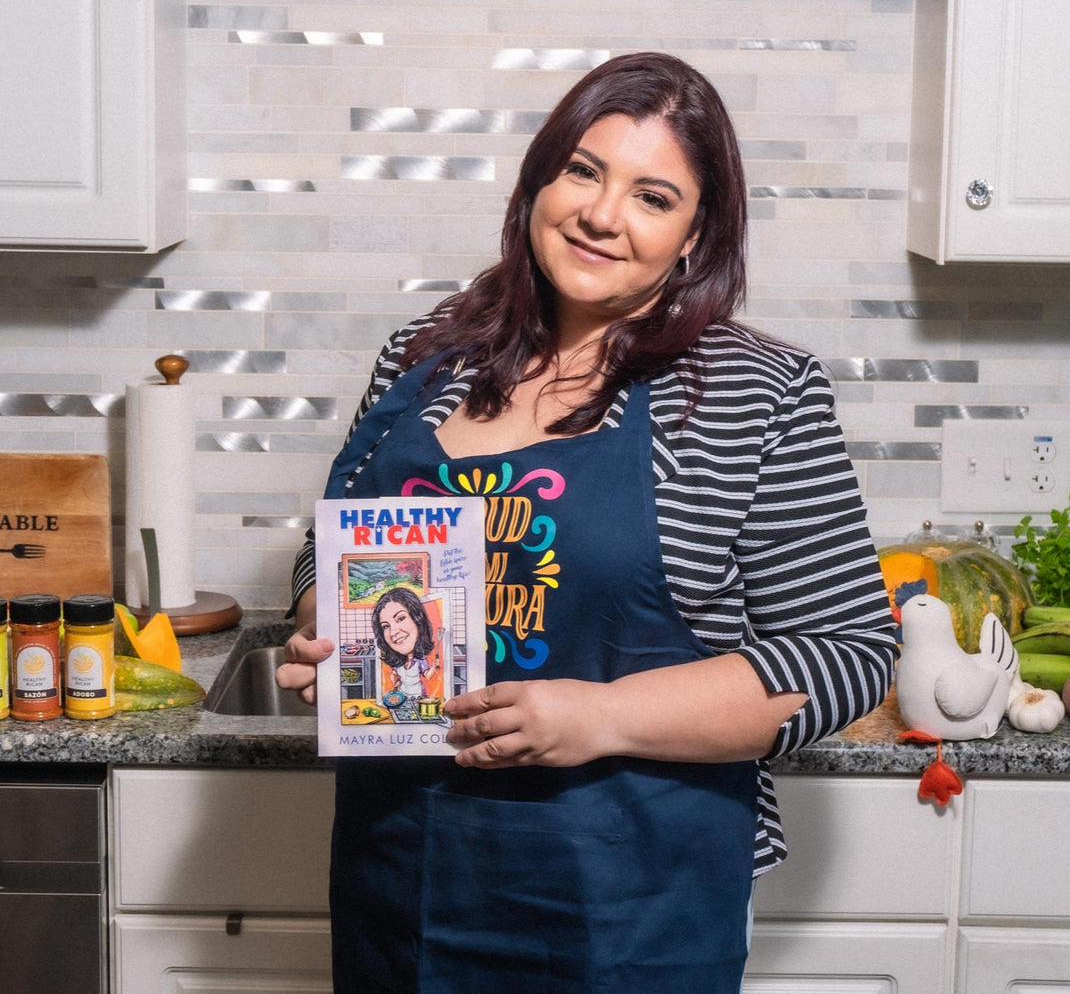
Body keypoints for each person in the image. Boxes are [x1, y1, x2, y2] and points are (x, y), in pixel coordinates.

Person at [277, 50, 898, 994]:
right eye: (583, 170)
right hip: (402, 876)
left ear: (696, 234)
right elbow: (334, 543)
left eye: (654, 196)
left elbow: (847, 653)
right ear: (540, 179)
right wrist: (329, 624)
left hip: (630, 902)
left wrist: (599, 715)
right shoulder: (428, 349)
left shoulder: (755, 392)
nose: (603, 215)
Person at [371, 587, 440, 699]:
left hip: (417, 696)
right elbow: (394, 674)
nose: (393, 632)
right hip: (402, 697)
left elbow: (427, 675)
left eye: (400, 618)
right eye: (386, 626)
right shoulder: (399, 663)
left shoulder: (420, 661)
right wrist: (395, 680)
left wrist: (434, 666)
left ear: (418, 619)